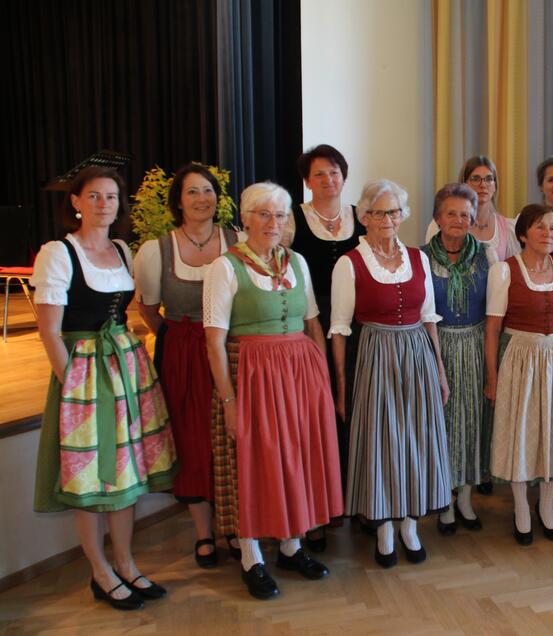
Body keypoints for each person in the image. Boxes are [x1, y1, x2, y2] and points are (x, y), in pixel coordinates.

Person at [32, 166, 177, 610]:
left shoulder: (120, 249)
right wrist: (75, 389)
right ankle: (100, 571)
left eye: (111, 197)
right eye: (94, 196)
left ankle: (126, 564)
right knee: (91, 475)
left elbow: (124, 314)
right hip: (83, 377)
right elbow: (49, 332)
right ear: (75, 202)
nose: (104, 204)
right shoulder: (58, 254)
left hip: (123, 368)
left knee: (126, 474)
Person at [204, 182, 342, 599]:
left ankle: (290, 545)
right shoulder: (225, 268)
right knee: (253, 461)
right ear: (245, 219)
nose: (273, 223)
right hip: (251, 374)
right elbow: (212, 340)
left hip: (298, 376)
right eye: (264, 214)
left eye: (280, 216)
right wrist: (229, 400)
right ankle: (251, 557)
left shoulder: (296, 261)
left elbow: (313, 323)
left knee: (293, 458)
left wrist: (320, 378)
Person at [329, 179, 451, 568]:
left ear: (403, 216)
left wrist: (440, 371)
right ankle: (383, 528)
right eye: (378, 212)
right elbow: (339, 329)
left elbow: (430, 319)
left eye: (393, 212)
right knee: (381, 443)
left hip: (416, 355)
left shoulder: (418, 259)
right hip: (375, 357)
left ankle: (411, 525)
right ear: (364, 217)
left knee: (417, 439)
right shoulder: (349, 263)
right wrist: (342, 387)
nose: (386, 219)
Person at [134, 163, 239, 568]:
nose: (202, 198)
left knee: (229, 438)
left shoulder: (237, 241)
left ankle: (232, 524)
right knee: (192, 438)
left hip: (229, 350)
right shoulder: (156, 250)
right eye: (192, 192)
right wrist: (181, 338)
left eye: (208, 190)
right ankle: (202, 532)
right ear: (178, 201)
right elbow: (148, 309)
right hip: (181, 351)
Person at [485, 204, 553, 545]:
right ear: (523, 234)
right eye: (540, 227)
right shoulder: (504, 271)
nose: (548, 233)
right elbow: (493, 328)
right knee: (522, 436)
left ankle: (547, 508)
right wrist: (493, 378)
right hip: (521, 359)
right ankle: (521, 509)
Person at [289, 144, 366, 551]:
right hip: (311, 326)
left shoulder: (361, 216)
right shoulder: (292, 220)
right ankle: (317, 512)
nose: (328, 179)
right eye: (319, 173)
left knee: (359, 412)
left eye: (334, 171)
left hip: (358, 327)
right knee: (318, 419)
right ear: (307, 180)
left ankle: (363, 502)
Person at [423, 183, 497, 534]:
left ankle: (466, 497)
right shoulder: (420, 258)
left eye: (465, 215)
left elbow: (497, 311)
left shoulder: (487, 256)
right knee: (442, 425)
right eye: (451, 213)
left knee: (472, 421)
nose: (458, 220)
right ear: (437, 218)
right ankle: (443, 499)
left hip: (476, 344)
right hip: (435, 348)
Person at [424, 155, 521, 262]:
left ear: (495, 186)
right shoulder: (442, 223)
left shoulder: (507, 228)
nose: (483, 184)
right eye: (476, 179)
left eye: (489, 179)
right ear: (464, 183)